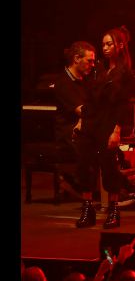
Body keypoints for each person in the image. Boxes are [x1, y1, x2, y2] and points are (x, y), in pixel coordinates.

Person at [74, 26, 135, 228]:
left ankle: (114, 209)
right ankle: (87, 207)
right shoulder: (99, 68)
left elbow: (123, 104)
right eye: (103, 44)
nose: (105, 47)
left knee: (109, 166)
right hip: (92, 121)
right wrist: (82, 119)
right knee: (85, 165)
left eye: (109, 44)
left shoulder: (124, 72)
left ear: (119, 45)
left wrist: (117, 129)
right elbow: (90, 98)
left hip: (109, 123)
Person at [52, 41, 97, 193]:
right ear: (77, 59)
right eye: (89, 61)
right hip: (68, 131)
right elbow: (82, 110)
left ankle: (111, 188)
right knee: (94, 148)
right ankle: (85, 188)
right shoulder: (63, 83)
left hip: (83, 127)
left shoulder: (86, 80)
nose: (92, 65)